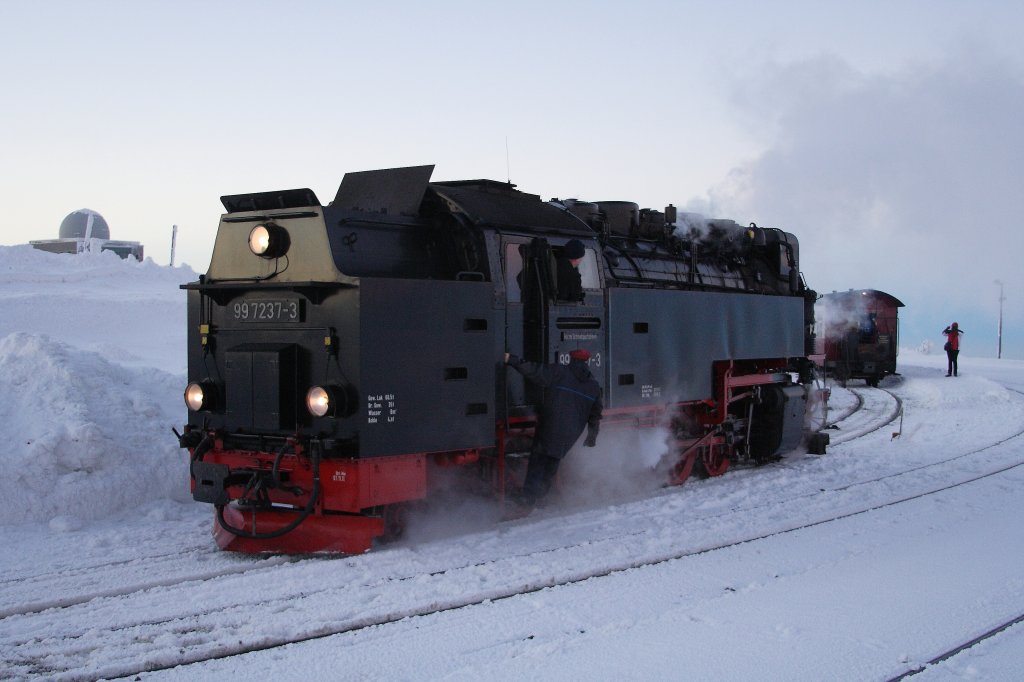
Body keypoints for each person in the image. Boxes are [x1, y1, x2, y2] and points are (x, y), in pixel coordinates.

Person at [504, 348, 602, 506]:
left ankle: (529, 497)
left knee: (538, 458)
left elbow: (534, 371)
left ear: (572, 360)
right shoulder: (594, 386)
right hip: (571, 433)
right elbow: (595, 415)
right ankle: (542, 495)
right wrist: (592, 436)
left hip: (551, 425)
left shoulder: (559, 372)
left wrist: (512, 360)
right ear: (586, 362)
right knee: (553, 459)